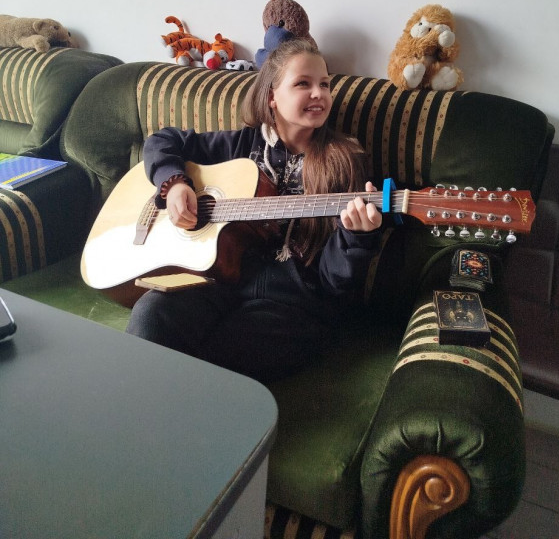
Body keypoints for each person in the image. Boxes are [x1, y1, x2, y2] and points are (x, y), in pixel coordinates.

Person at [126, 38, 382, 383]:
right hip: (217, 281)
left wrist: (356, 238)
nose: (318, 93)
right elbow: (161, 141)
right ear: (272, 96)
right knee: (151, 312)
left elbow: (334, 282)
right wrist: (174, 183)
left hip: (290, 303)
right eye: (303, 83)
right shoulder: (240, 146)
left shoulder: (345, 160)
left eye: (324, 84)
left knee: (225, 354)